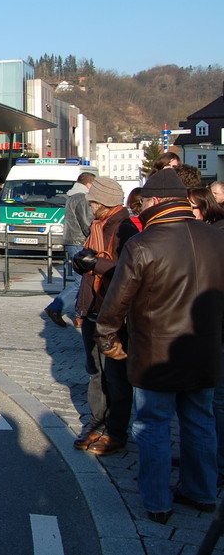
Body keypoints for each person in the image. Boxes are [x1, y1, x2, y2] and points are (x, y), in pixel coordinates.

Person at [95, 168, 224, 524]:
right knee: (200, 421)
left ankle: (156, 501)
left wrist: (107, 338)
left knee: (152, 425)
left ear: (153, 201)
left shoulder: (144, 243)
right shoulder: (217, 238)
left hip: (156, 355)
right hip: (205, 351)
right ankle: (201, 492)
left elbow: (117, 302)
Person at [67, 177, 138, 456]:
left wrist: (96, 263)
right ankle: (97, 424)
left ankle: (116, 432)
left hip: (114, 313)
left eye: (93, 202)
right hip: (93, 307)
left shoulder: (126, 229)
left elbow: (128, 273)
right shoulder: (98, 226)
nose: (90, 206)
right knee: (96, 373)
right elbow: (90, 268)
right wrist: (82, 263)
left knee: (117, 377)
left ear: (104, 203)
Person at [43, 173, 96, 327]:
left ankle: (78, 313)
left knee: (82, 280)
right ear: (89, 184)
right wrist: (94, 235)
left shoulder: (73, 197)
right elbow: (86, 222)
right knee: (82, 281)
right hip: (79, 241)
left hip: (73, 241)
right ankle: (57, 308)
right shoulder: (81, 198)